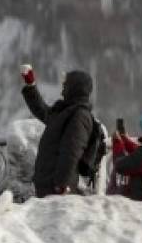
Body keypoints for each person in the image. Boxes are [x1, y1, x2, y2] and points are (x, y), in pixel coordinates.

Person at [21, 66, 95, 197]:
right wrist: (30, 85)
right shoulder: (65, 111)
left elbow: (72, 151)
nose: (62, 91)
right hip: (48, 182)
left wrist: (62, 184)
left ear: (74, 88)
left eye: (65, 86)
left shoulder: (80, 115)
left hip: (57, 187)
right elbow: (42, 111)